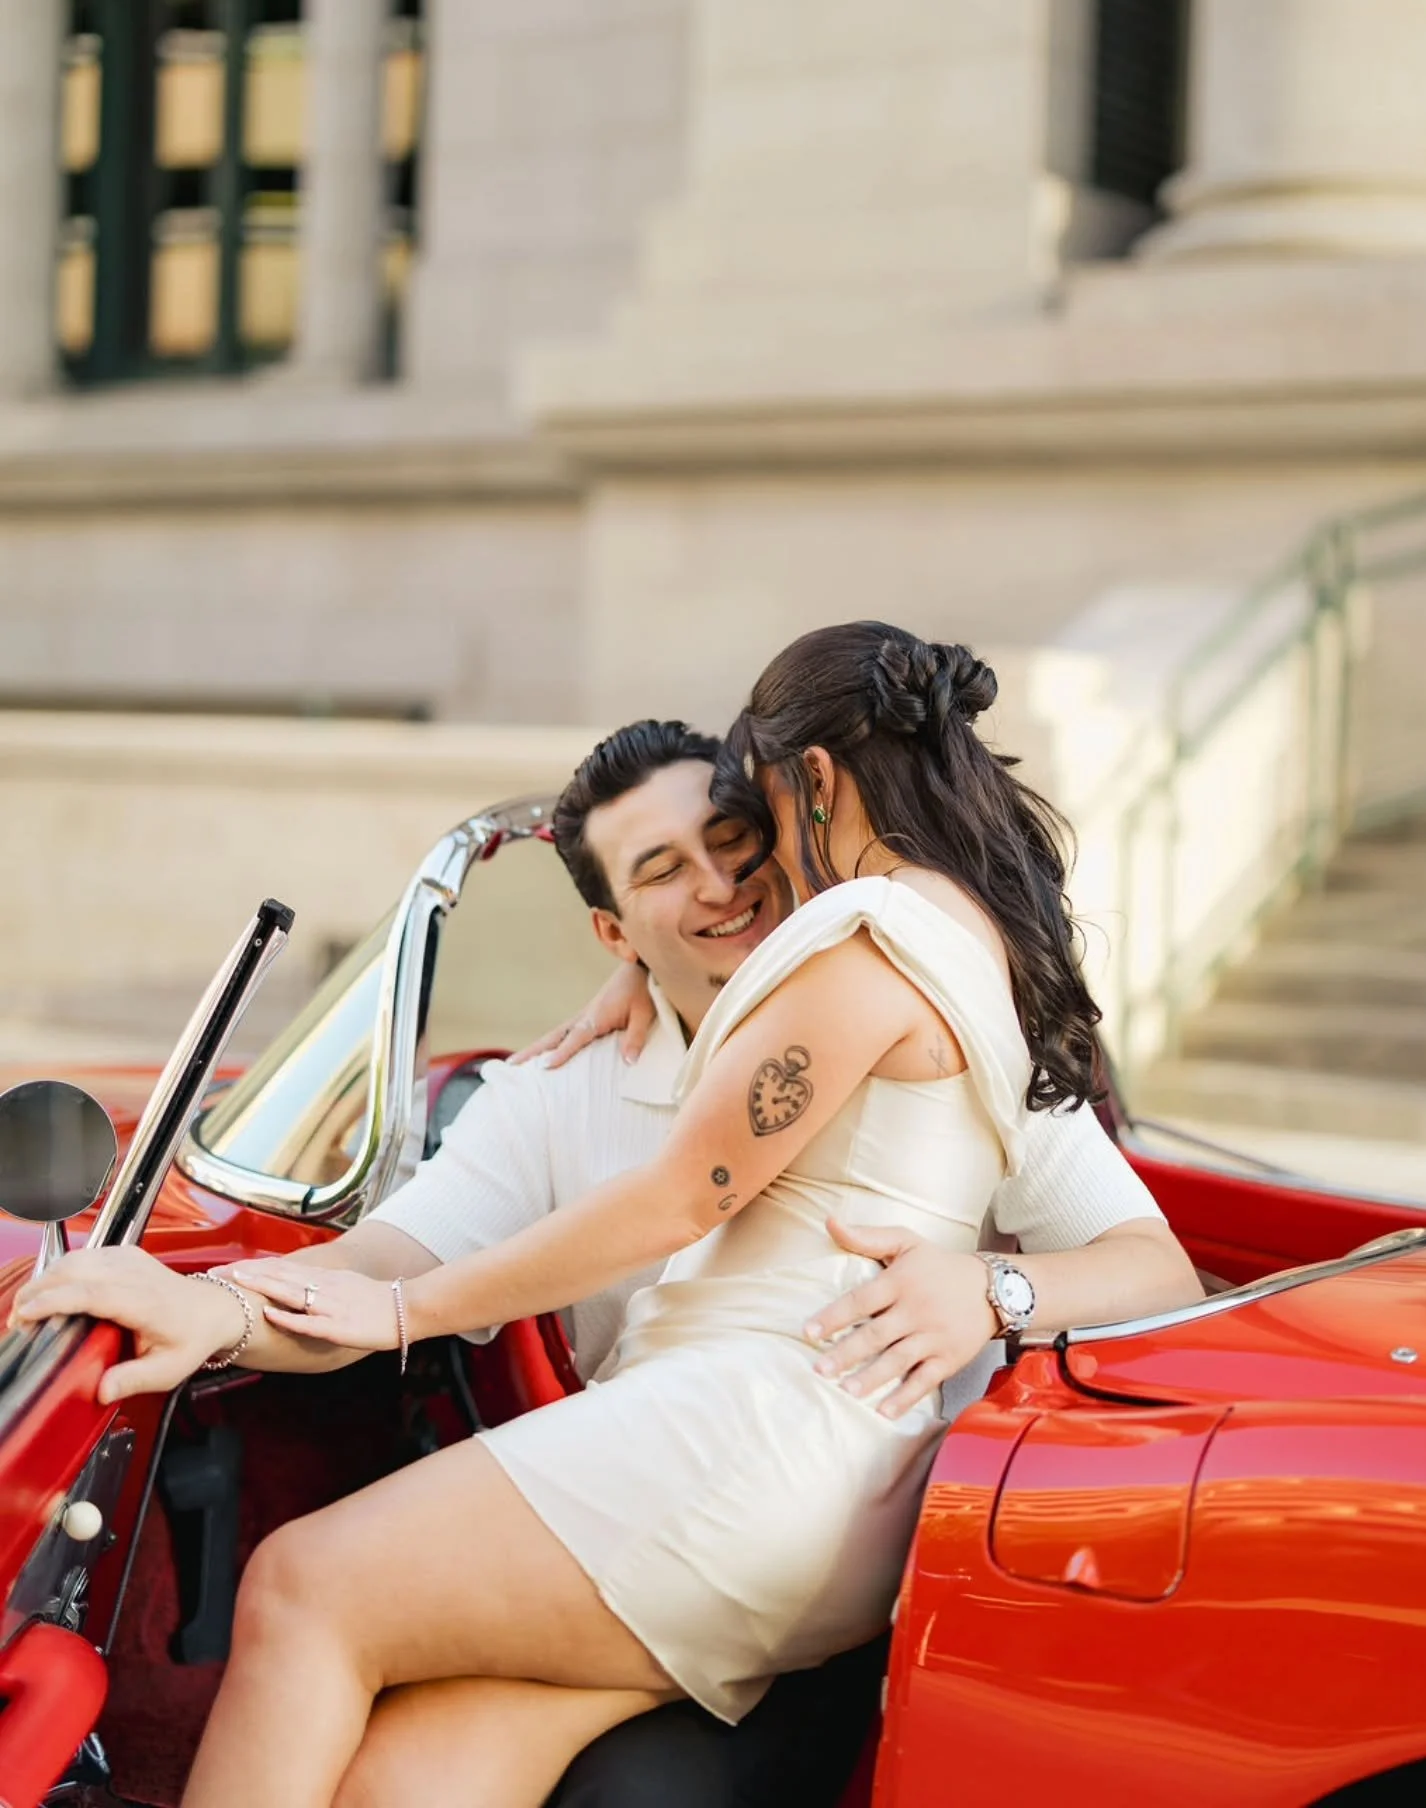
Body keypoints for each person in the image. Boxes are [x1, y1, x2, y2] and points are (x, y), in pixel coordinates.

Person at [15, 628, 1202, 1808]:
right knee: (409, 1780)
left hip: (759, 1460)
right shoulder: (617, 1068)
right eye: (660, 875)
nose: (720, 888)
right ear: (612, 935)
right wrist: (215, 1305)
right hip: (743, 1500)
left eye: (738, 840)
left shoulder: (866, 952)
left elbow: (686, 1194)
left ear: (811, 793)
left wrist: (991, 1290)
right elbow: (381, 1248)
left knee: (301, 1585)